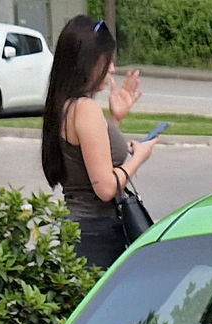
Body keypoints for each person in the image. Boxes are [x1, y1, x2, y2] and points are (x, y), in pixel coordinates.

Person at [41, 14, 158, 268]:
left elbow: (87, 162)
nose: (113, 69)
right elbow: (105, 187)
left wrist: (115, 121)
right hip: (97, 234)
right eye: (108, 61)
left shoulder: (64, 106)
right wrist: (139, 157)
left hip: (79, 230)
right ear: (89, 63)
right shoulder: (85, 109)